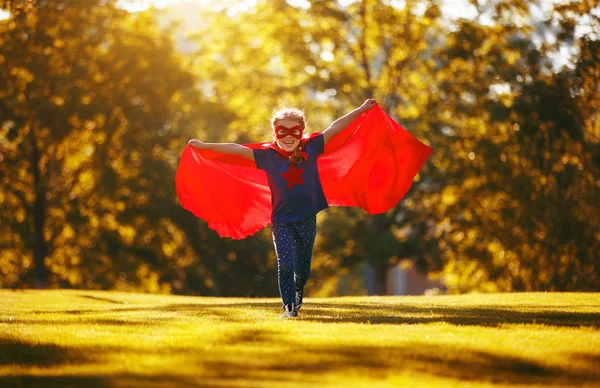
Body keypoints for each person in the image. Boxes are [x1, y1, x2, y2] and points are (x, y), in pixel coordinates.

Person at [188, 99, 380, 318]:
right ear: (275, 133)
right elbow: (235, 149)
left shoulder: (312, 148)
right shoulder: (268, 157)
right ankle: (289, 308)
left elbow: (336, 127)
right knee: (286, 265)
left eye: (294, 131)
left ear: (301, 132)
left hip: (307, 218)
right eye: (282, 131)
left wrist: (362, 108)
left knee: (303, 270)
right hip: (282, 221)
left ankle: (299, 290)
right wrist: (204, 146)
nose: (288, 136)